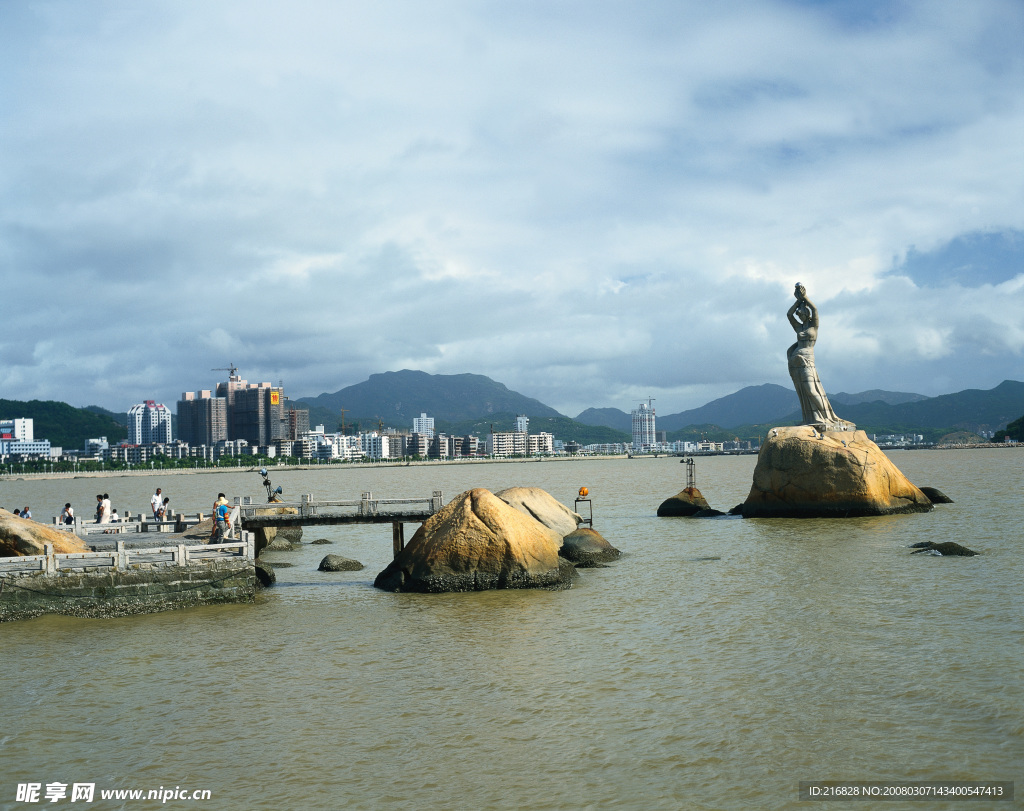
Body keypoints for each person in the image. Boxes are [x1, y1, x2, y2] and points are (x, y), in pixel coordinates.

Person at [786, 283, 853, 432]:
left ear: (807, 313)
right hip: (796, 362)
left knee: (811, 388)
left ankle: (826, 417)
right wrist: (797, 301)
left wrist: (805, 298)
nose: (799, 315)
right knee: (803, 390)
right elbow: (789, 315)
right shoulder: (800, 327)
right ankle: (813, 418)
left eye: (802, 313)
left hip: (808, 360)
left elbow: (815, 309)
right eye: (799, 314)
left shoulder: (813, 326)